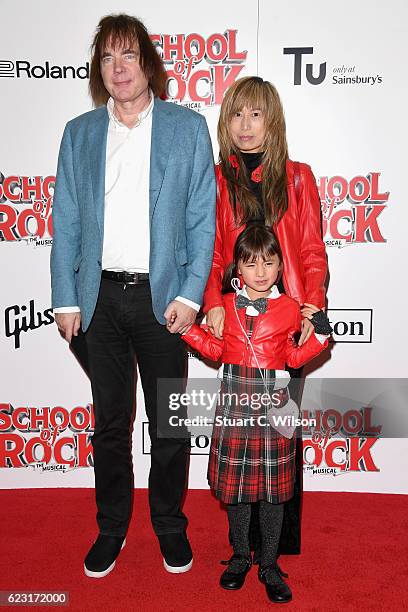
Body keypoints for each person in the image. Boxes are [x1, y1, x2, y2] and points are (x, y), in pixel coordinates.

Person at [50, 14, 215, 578]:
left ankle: (169, 525)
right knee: (110, 425)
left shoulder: (187, 129)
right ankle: (111, 527)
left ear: (148, 61)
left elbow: (201, 219)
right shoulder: (80, 132)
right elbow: (66, 222)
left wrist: (192, 295)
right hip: (99, 301)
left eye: (128, 55)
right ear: (99, 69)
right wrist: (65, 299)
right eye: (107, 58)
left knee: (169, 424)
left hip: (163, 302)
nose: (118, 68)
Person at [202, 76, 328, 558]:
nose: (246, 124)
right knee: (241, 443)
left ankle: (274, 551)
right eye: (237, 114)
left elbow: (313, 250)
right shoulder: (214, 179)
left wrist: (311, 305)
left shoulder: (298, 176)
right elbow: (212, 252)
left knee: (280, 438)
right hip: (236, 324)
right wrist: (213, 300)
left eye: (256, 114)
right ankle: (241, 548)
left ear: (271, 121)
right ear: (226, 121)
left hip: (287, 325)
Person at [181, 225, 331, 603]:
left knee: (273, 493)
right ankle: (238, 557)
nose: (260, 272)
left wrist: (321, 337)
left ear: (281, 266)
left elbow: (294, 357)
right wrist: (185, 330)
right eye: (251, 264)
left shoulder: (290, 309)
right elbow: (215, 352)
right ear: (238, 270)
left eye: (268, 262)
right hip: (234, 402)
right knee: (236, 492)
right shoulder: (226, 306)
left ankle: (268, 564)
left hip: (274, 404)